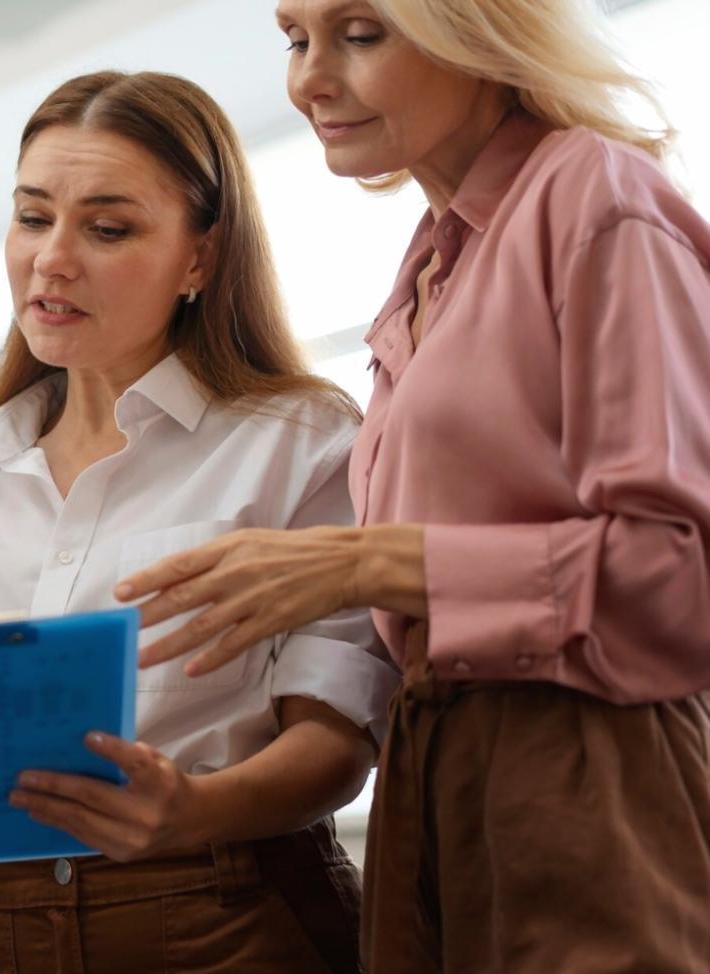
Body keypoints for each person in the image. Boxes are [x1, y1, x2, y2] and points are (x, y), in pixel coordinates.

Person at [120, 1, 710, 970]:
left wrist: (364, 561)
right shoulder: (433, 259)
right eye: (294, 38)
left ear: (478, 31)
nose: (308, 78)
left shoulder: (596, 198)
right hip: (428, 772)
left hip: (583, 759)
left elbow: (677, 574)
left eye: (360, 33)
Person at [0, 70, 398, 973]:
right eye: (33, 217)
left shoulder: (301, 444)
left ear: (200, 258)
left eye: (107, 228)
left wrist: (196, 809)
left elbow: (338, 737)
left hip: (234, 914)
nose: (53, 258)